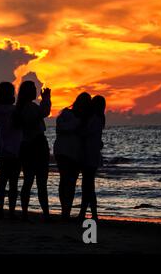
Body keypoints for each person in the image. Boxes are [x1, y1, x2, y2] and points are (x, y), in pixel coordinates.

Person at [13, 80, 51, 221]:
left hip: (26, 146)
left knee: (28, 181)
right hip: (37, 146)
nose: (37, 90)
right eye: (34, 88)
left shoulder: (20, 108)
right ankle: (45, 214)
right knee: (41, 182)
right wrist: (46, 98)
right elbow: (45, 112)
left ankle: (25, 213)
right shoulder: (30, 107)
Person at [54, 92, 91, 220]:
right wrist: (78, 124)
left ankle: (66, 210)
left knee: (70, 181)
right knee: (65, 180)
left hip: (75, 153)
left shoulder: (86, 119)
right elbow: (61, 128)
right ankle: (65, 209)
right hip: (63, 152)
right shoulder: (66, 113)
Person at [0, 82, 22, 220]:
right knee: (13, 183)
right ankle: (11, 211)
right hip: (15, 149)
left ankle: (0, 211)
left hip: (2, 148)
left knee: (2, 181)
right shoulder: (15, 110)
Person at [78, 95, 106, 222]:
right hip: (92, 154)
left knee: (87, 185)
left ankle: (86, 213)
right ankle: (91, 213)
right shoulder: (99, 118)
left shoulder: (95, 119)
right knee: (88, 185)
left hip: (90, 154)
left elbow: (85, 133)